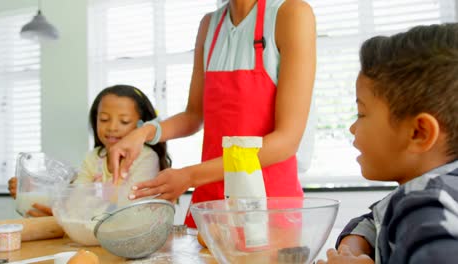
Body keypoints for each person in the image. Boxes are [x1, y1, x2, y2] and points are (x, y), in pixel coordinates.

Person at [108, 0, 316, 228]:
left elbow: (286, 142)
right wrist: (145, 132)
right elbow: (194, 115)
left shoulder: (292, 15)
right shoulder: (210, 25)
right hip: (213, 202)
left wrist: (190, 176)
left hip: (268, 205)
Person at [317, 23, 458, 264]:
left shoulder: (429, 205)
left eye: (362, 114)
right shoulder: (432, 190)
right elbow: (376, 217)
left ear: (418, 132)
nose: (352, 127)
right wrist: (355, 244)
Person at [8, 84, 171, 216]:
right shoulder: (94, 158)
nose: (112, 127)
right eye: (104, 119)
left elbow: (128, 208)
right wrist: (34, 189)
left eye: (124, 121)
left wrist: (79, 207)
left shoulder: (146, 158)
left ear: (141, 126)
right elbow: (76, 200)